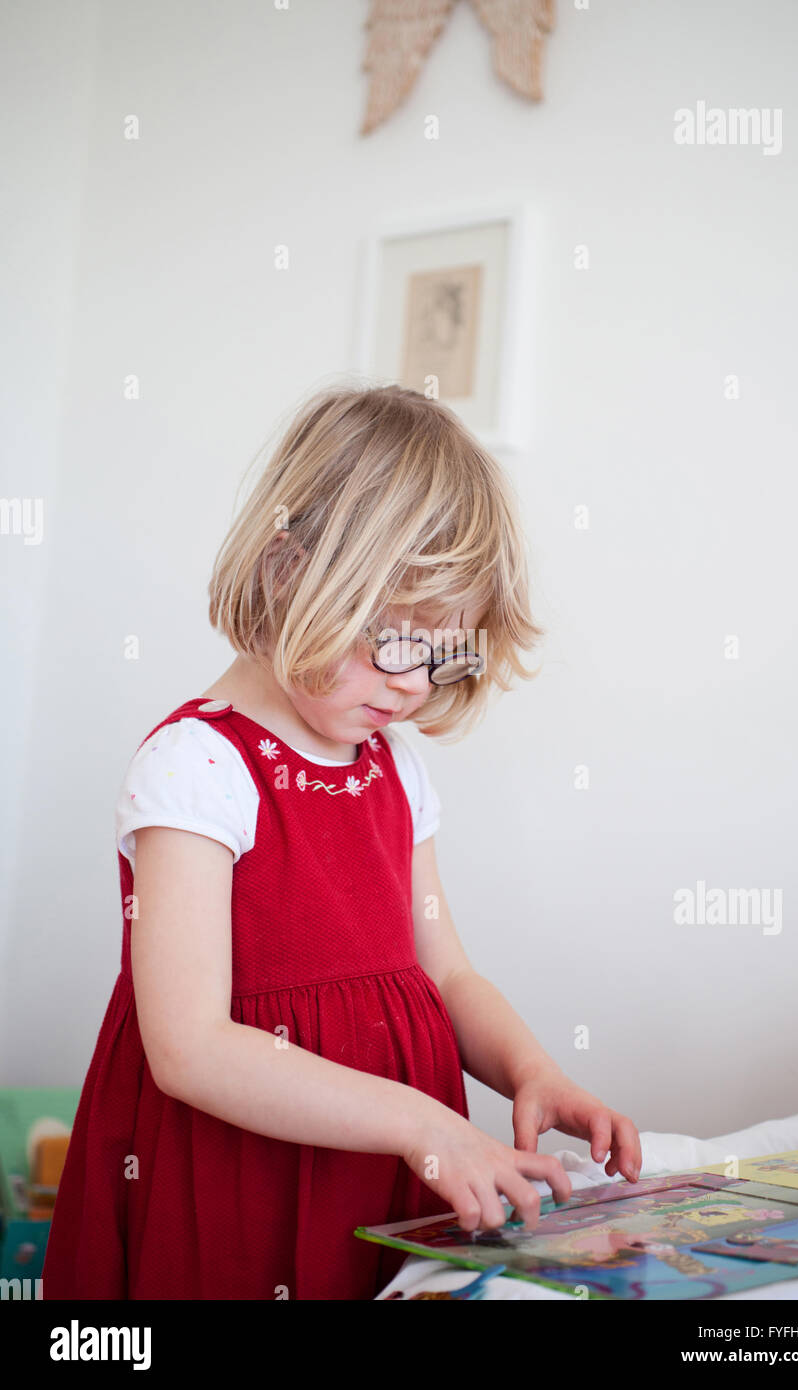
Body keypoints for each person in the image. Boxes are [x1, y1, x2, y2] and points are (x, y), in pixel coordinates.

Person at [41, 382, 642, 1300]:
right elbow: (189, 1046)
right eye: (396, 643)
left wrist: (532, 1070)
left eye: (446, 656)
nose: (415, 687)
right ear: (288, 574)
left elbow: (446, 976)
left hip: (387, 1169)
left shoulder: (393, 766)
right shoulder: (197, 766)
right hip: (240, 1186)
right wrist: (423, 1125)